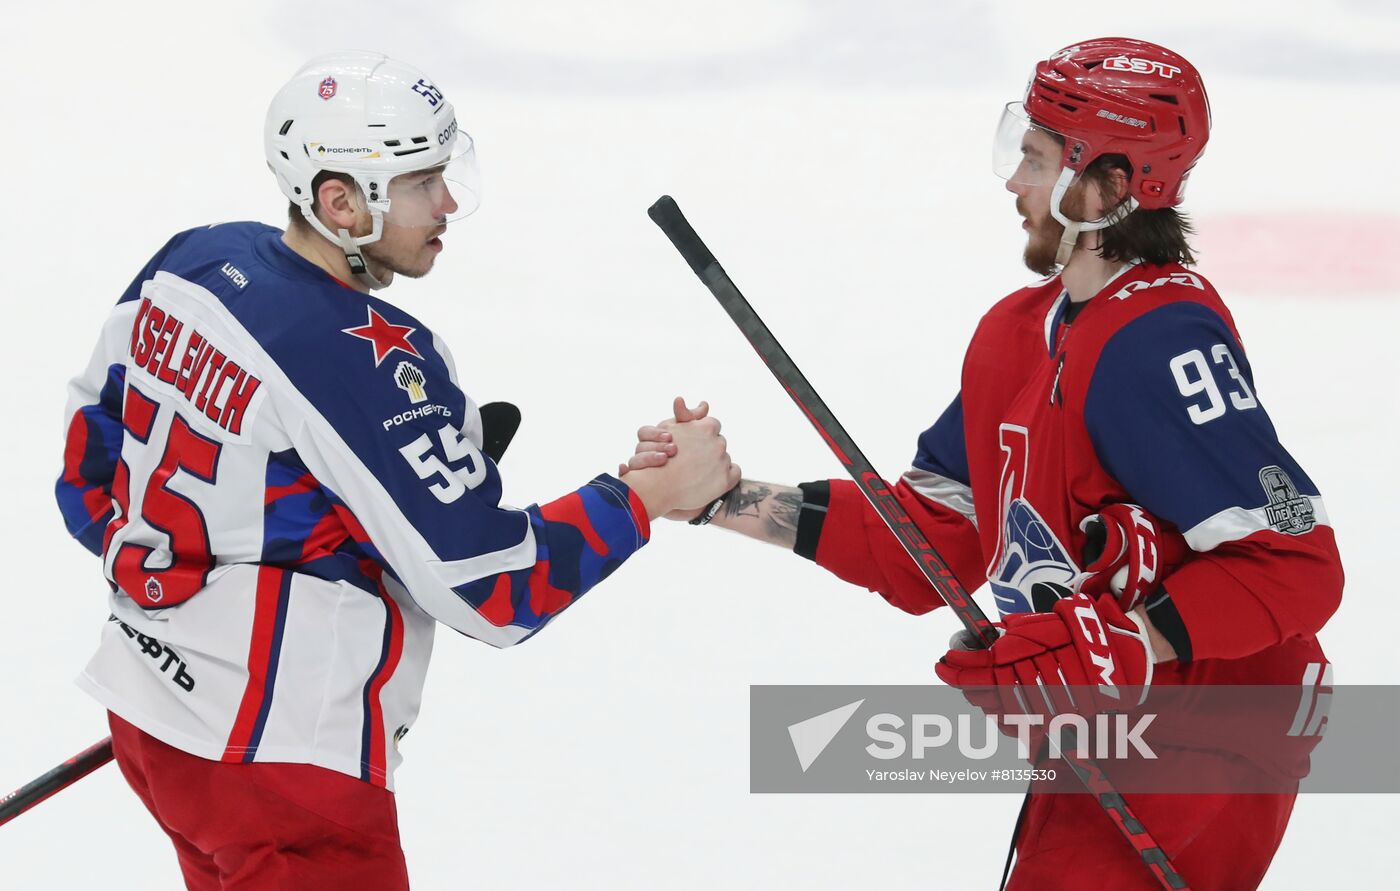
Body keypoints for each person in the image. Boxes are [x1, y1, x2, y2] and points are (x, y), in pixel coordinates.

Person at [625, 38, 1343, 890]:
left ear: (1110, 186)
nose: (1013, 182)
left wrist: (1122, 640)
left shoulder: (1161, 338)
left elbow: (1298, 563)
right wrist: (726, 499)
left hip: (1218, 731)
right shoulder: (1017, 331)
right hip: (1114, 724)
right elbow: (932, 543)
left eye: (1036, 160)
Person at [55, 50, 738, 890]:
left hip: (153, 722)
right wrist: (644, 496)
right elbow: (493, 589)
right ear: (341, 202)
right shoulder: (369, 364)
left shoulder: (191, 261)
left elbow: (88, 471)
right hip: (284, 773)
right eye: (421, 183)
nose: (448, 203)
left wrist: (210, 571)